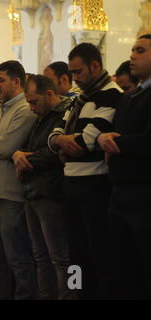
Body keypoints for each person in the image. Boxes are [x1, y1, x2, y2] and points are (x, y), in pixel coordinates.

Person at [48, 43, 123, 299]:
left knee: (98, 252)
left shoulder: (111, 94)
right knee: (75, 253)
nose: (75, 79)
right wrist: (60, 141)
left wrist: (64, 142)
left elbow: (87, 142)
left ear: (95, 66)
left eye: (79, 72)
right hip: (70, 184)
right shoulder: (79, 98)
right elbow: (54, 133)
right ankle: (77, 294)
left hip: (94, 185)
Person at [97, 34, 151, 299]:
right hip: (119, 188)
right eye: (131, 50)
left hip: (144, 190)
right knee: (122, 263)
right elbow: (113, 134)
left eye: (140, 50)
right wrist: (104, 139)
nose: (132, 56)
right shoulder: (129, 98)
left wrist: (115, 143)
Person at [0, 61, 37, 300]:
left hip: (10, 197)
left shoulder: (24, 110)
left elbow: (3, 148)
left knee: (18, 259)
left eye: (1, 80)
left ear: (16, 82)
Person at [12, 75, 74, 300]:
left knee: (63, 258)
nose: (31, 107)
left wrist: (26, 159)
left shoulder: (66, 114)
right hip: (33, 192)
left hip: (53, 194)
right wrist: (18, 155)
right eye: (28, 102)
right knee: (41, 257)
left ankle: (70, 296)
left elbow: (55, 152)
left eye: (34, 102)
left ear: (49, 94)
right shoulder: (40, 117)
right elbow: (25, 148)